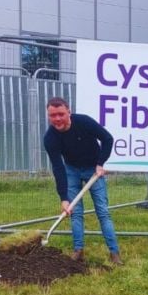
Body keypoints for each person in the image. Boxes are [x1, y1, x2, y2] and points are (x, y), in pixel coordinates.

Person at [43, 97, 122, 265]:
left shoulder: (83, 122)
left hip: (93, 169)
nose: (57, 119)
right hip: (71, 170)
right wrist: (64, 198)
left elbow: (107, 139)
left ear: (69, 112)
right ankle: (78, 251)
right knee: (75, 212)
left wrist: (100, 163)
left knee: (102, 211)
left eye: (61, 114)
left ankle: (114, 253)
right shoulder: (50, 138)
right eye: (52, 115)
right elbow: (58, 168)